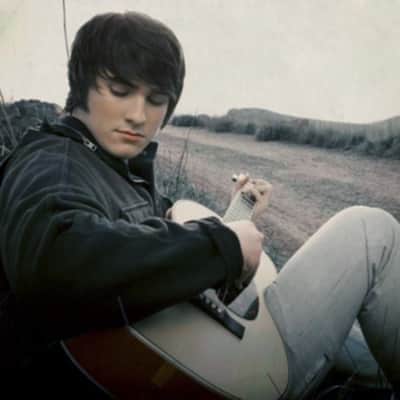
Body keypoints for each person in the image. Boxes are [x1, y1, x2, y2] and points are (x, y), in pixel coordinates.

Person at [0, 10, 398, 400]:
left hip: (199, 358)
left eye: (156, 99)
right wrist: (224, 245)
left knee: (358, 315)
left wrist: (237, 214)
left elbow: (157, 265)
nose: (138, 115)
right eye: (119, 91)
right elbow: (54, 263)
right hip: (225, 378)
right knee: (371, 233)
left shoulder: (109, 165)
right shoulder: (54, 162)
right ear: (81, 86)